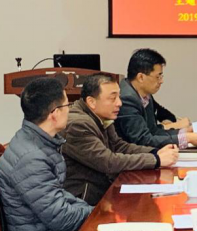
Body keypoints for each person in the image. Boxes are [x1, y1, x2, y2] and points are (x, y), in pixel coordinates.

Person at [0, 78, 92, 231]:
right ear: (54, 114)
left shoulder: (37, 141)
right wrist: (97, 214)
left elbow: (57, 197)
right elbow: (59, 217)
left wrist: (93, 211)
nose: (70, 110)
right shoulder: (32, 158)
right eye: (67, 105)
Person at [62, 73, 179, 206]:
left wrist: (155, 152)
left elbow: (119, 146)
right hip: (85, 201)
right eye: (113, 98)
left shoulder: (101, 116)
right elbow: (108, 162)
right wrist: (156, 160)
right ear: (91, 102)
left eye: (119, 97)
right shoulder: (77, 124)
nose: (119, 103)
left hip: (103, 190)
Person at [115, 49, 197, 149]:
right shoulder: (127, 99)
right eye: (158, 77)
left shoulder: (144, 95)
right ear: (141, 77)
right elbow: (143, 140)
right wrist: (185, 138)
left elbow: (153, 131)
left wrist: (182, 132)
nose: (161, 81)